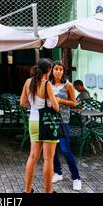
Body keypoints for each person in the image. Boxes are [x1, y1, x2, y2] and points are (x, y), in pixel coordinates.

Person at [20, 58, 59, 194]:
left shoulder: (28, 82)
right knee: (48, 159)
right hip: (46, 123)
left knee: (32, 157)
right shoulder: (46, 83)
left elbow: (22, 103)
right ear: (48, 70)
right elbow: (55, 106)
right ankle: (48, 192)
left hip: (33, 121)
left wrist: (35, 105)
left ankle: (27, 190)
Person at [49, 61, 82, 191]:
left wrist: (61, 100)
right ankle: (58, 173)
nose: (58, 71)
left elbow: (74, 103)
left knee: (65, 150)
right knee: (52, 150)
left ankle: (77, 178)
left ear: (63, 72)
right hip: (50, 121)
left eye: (60, 69)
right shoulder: (48, 85)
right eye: (56, 69)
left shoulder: (68, 85)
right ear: (51, 70)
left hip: (63, 122)